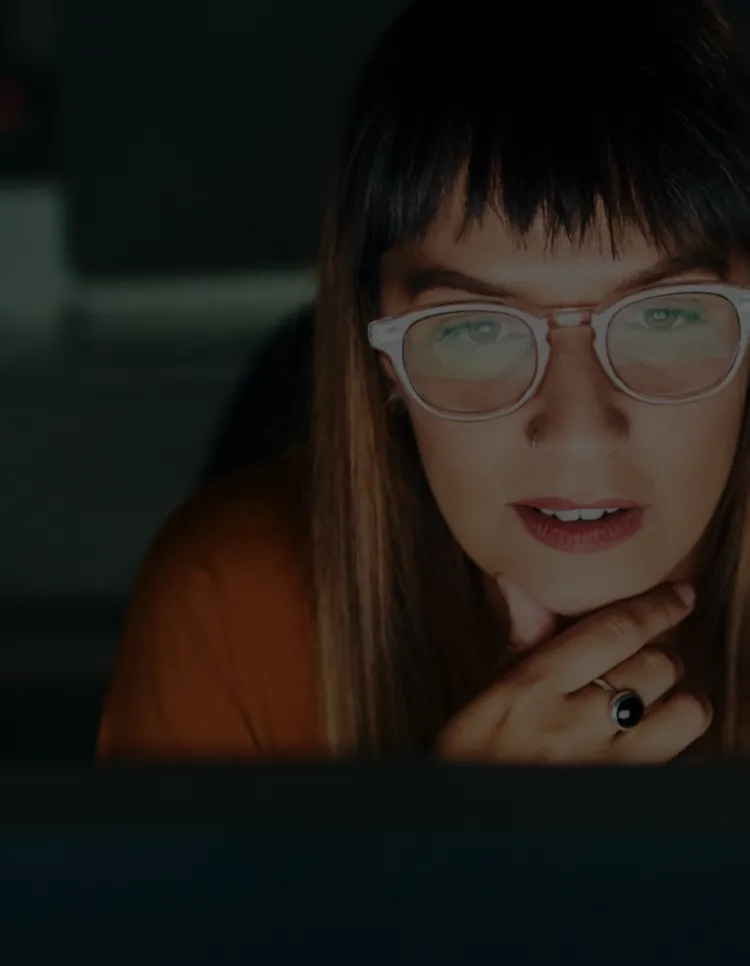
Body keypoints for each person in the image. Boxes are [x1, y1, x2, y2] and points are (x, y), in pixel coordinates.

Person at [96, 0, 750, 764]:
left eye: (666, 318)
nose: (577, 429)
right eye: (475, 329)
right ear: (383, 360)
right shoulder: (233, 604)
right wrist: (463, 853)